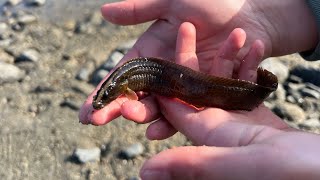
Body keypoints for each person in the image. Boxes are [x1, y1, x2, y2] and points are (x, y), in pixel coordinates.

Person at [79, 0, 320, 179]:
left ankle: (252, 93)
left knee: (199, 90)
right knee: (198, 89)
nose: (102, 101)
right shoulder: (127, 79)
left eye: (106, 97)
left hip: (184, 82)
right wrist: (272, 15)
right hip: (177, 80)